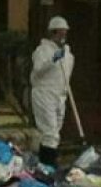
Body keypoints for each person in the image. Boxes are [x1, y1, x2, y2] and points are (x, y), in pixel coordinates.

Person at [30, 16, 74, 166]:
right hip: (44, 94)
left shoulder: (68, 53)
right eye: (59, 33)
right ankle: (50, 165)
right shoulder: (42, 50)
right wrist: (52, 60)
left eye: (64, 33)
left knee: (54, 133)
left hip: (59, 96)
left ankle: (43, 162)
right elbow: (38, 70)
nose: (62, 36)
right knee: (50, 132)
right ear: (52, 33)